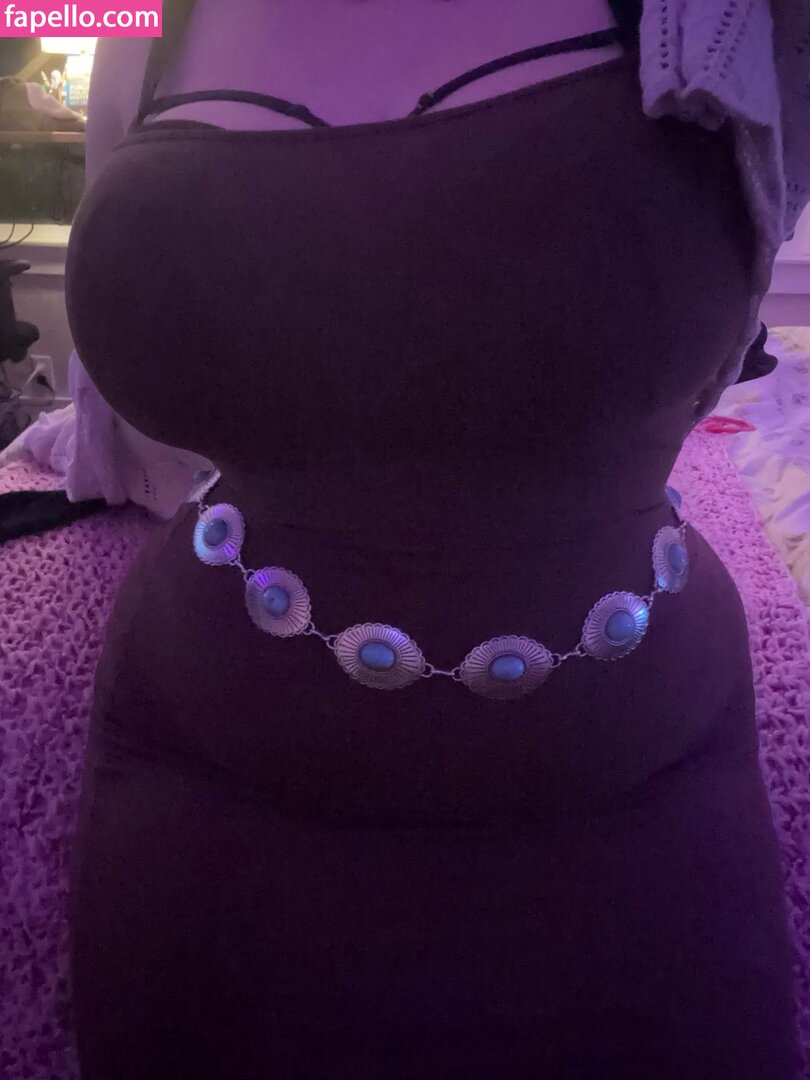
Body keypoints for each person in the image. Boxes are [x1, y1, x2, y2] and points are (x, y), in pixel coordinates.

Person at [66, 1, 806, 1076]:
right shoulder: (128, 16)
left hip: (635, 788)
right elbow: (123, 420)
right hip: (205, 789)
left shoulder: (723, 20)